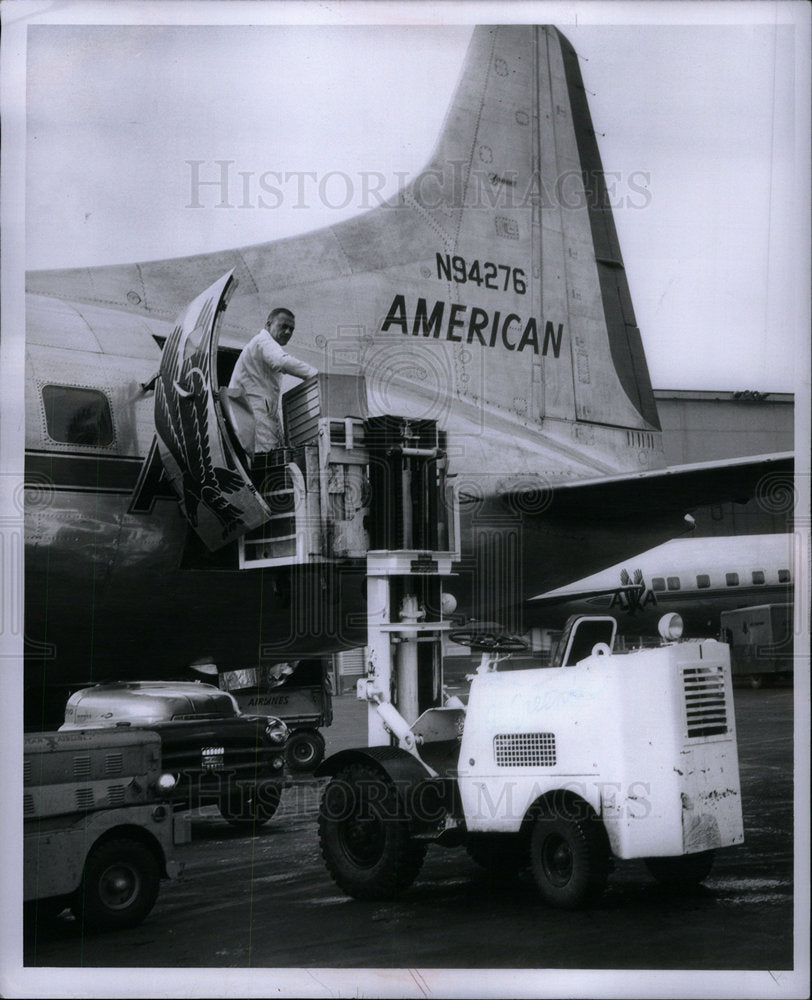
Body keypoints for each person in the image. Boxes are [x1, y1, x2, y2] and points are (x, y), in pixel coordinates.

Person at [229, 307, 317, 459]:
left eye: (291, 329)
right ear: (268, 325)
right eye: (283, 326)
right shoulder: (263, 341)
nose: (288, 332)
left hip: (259, 415)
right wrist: (317, 376)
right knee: (264, 462)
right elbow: (282, 361)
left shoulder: (264, 345)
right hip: (254, 416)